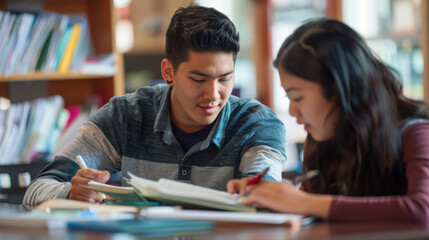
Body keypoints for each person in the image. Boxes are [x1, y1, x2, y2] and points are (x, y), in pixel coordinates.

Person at [23, 5, 287, 206]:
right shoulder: (125, 116)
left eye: (225, 79)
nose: (213, 94)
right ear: (168, 71)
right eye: (198, 79)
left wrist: (259, 192)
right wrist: (69, 192)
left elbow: (267, 195)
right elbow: (37, 190)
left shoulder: (257, 124)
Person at [227, 18, 429, 224]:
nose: (292, 111)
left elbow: (422, 211)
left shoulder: (415, 132)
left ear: (340, 90)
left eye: (298, 98)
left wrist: (304, 202)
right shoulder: (321, 141)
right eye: (288, 98)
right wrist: (270, 199)